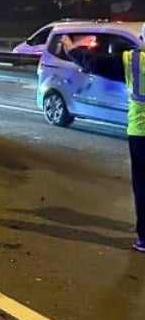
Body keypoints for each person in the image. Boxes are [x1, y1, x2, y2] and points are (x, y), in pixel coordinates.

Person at [59, 32, 145, 253]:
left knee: (143, 185)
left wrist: (72, 49)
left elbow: (95, 63)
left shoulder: (133, 60)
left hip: (141, 131)